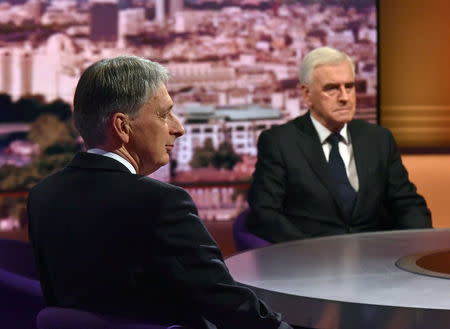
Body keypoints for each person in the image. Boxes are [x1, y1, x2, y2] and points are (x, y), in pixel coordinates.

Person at [27, 56, 293, 329]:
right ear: (122, 126)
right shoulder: (161, 202)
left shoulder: (42, 196)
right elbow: (224, 300)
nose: (178, 128)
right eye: (164, 114)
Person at [247, 46, 432, 243]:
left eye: (350, 87)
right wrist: (307, 252)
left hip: (376, 260)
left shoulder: (379, 139)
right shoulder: (279, 142)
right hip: (311, 262)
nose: (344, 97)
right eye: (332, 88)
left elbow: (407, 203)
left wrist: (419, 246)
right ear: (307, 94)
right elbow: (264, 213)